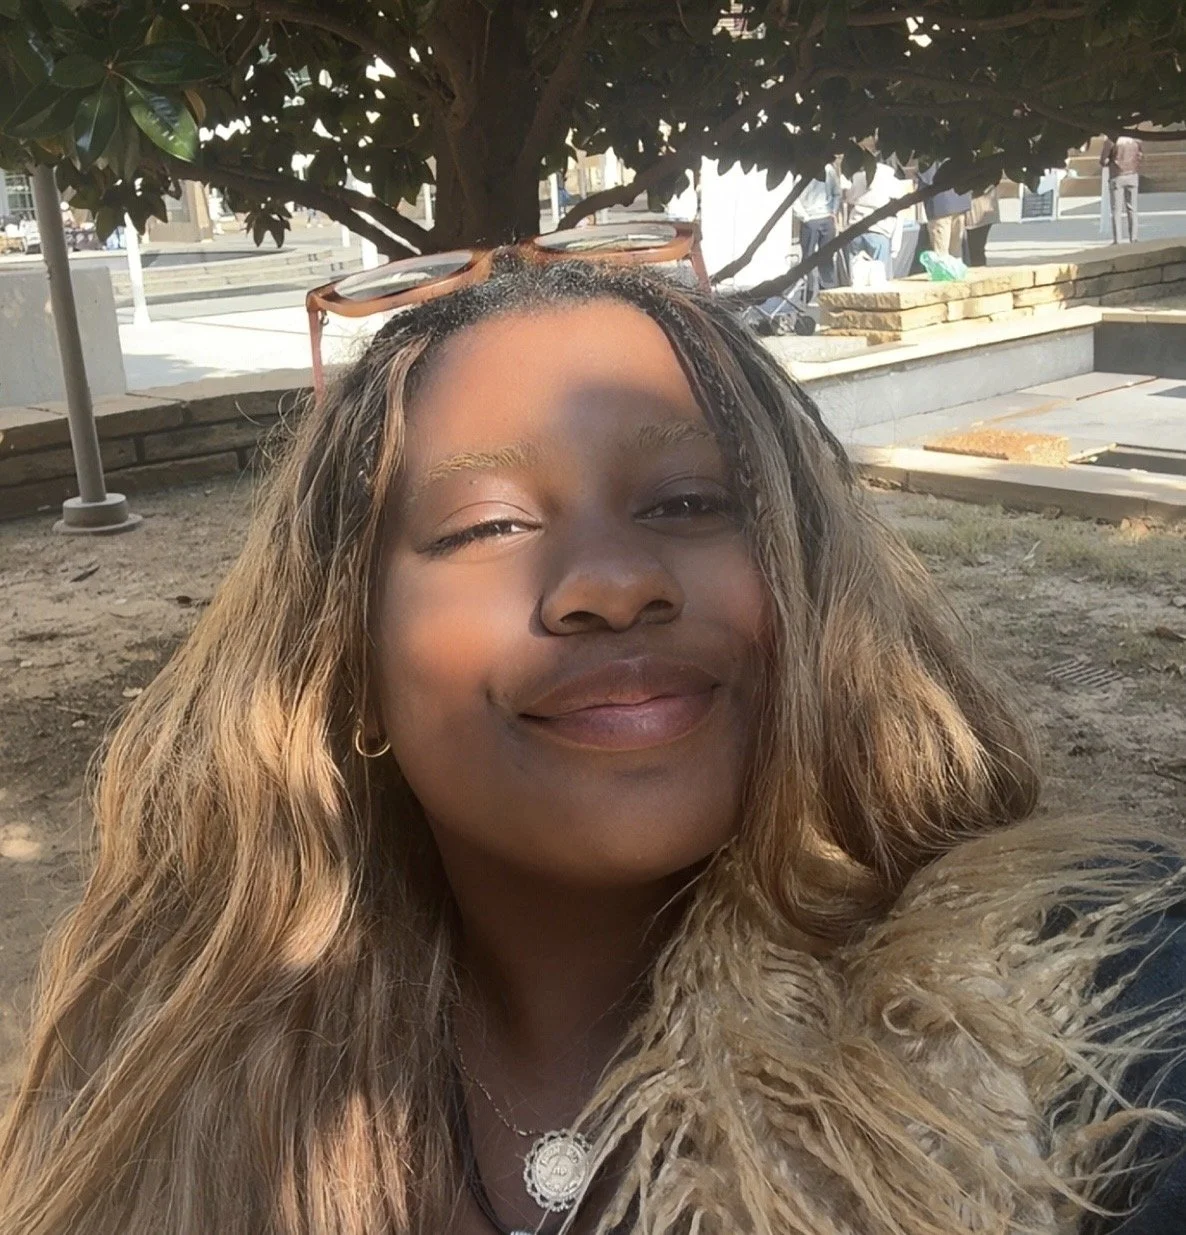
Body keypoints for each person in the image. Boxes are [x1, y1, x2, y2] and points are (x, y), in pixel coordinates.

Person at [2, 235, 1186, 1235]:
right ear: (348, 660)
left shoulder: (1077, 1012)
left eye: (686, 503)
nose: (613, 583)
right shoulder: (165, 1092)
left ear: (810, 590)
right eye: (488, 523)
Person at [844, 159, 911, 281]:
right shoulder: (893, 183)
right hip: (879, 231)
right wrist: (895, 248)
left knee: (857, 277)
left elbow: (849, 198)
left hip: (855, 230)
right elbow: (899, 214)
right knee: (878, 279)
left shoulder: (858, 177)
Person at [791, 160, 844, 301]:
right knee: (808, 258)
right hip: (810, 219)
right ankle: (806, 292)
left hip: (826, 217)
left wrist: (832, 212)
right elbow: (794, 198)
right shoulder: (802, 172)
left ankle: (828, 292)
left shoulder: (828, 169)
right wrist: (805, 217)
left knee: (826, 256)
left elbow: (836, 192)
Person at [917, 159, 973, 259]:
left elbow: (926, 178)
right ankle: (956, 273)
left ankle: (945, 274)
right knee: (956, 252)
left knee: (941, 254)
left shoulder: (929, 153)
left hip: (940, 205)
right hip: (960, 201)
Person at [1101, 133, 1143, 243]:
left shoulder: (1111, 140)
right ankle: (1133, 238)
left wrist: (1108, 162)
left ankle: (1117, 240)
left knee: (1116, 210)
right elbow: (1140, 156)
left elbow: (1103, 160)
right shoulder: (1135, 139)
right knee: (1132, 208)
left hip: (1117, 176)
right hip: (1133, 175)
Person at [964, 186, 1000, 267]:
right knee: (975, 250)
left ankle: (978, 271)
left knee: (975, 250)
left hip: (979, 211)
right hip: (979, 210)